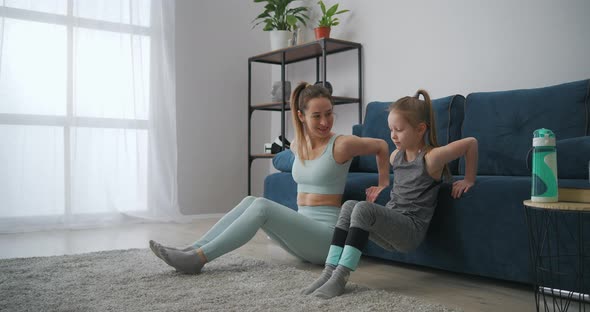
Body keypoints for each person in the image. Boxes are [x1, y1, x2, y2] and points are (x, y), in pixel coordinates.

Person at [149, 82, 391, 275]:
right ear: (301, 116)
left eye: (329, 114)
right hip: (303, 238)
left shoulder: (342, 143)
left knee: (262, 206)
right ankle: (193, 249)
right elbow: (276, 150)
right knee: (250, 200)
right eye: (316, 116)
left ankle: (198, 259)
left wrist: (383, 183)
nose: (325, 122)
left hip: (327, 239)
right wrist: (273, 147)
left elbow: (381, 145)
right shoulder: (298, 144)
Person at [303, 89, 478, 299]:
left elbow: (470, 143)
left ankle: (341, 277)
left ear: (420, 129)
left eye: (399, 130)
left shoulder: (432, 158)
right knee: (350, 205)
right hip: (393, 228)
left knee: (362, 208)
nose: (393, 135)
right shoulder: (396, 156)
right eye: (391, 129)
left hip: (410, 231)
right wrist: (382, 186)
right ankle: (328, 272)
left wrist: (468, 179)